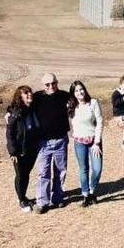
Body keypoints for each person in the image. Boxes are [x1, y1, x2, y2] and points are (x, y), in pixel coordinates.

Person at [32, 73, 72, 214]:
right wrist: (9, 112)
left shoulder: (64, 95)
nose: (51, 87)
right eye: (47, 84)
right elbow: (20, 103)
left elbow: (82, 99)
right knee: (43, 172)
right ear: (42, 85)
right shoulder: (36, 97)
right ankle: (42, 202)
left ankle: (58, 198)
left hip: (61, 140)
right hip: (44, 143)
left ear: (57, 82)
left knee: (61, 171)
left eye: (53, 83)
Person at [6, 86, 40, 213]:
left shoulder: (32, 108)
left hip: (32, 148)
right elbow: (9, 133)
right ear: (20, 97)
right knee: (20, 175)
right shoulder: (15, 113)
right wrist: (12, 151)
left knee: (26, 174)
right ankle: (21, 200)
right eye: (26, 93)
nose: (29, 94)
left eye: (30, 92)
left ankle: (24, 196)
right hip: (19, 151)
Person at [68, 81, 103, 207]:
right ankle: (85, 194)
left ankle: (93, 190)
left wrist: (97, 142)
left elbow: (99, 121)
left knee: (97, 168)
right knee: (83, 169)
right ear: (73, 93)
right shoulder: (70, 106)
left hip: (94, 141)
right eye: (76, 91)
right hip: (79, 142)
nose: (80, 92)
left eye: (81, 89)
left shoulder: (93, 103)